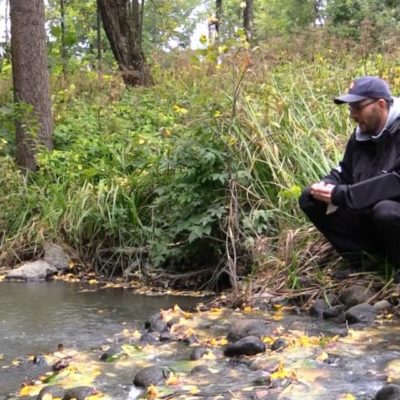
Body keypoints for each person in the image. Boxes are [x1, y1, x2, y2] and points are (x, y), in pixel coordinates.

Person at [299, 76, 400, 277]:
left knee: (386, 210)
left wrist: (343, 194)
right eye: (350, 108)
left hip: (392, 214)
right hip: (372, 219)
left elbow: (395, 182)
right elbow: (344, 172)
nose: (352, 115)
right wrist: (326, 186)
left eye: (358, 107)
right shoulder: (360, 136)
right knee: (309, 197)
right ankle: (367, 262)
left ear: (380, 104)